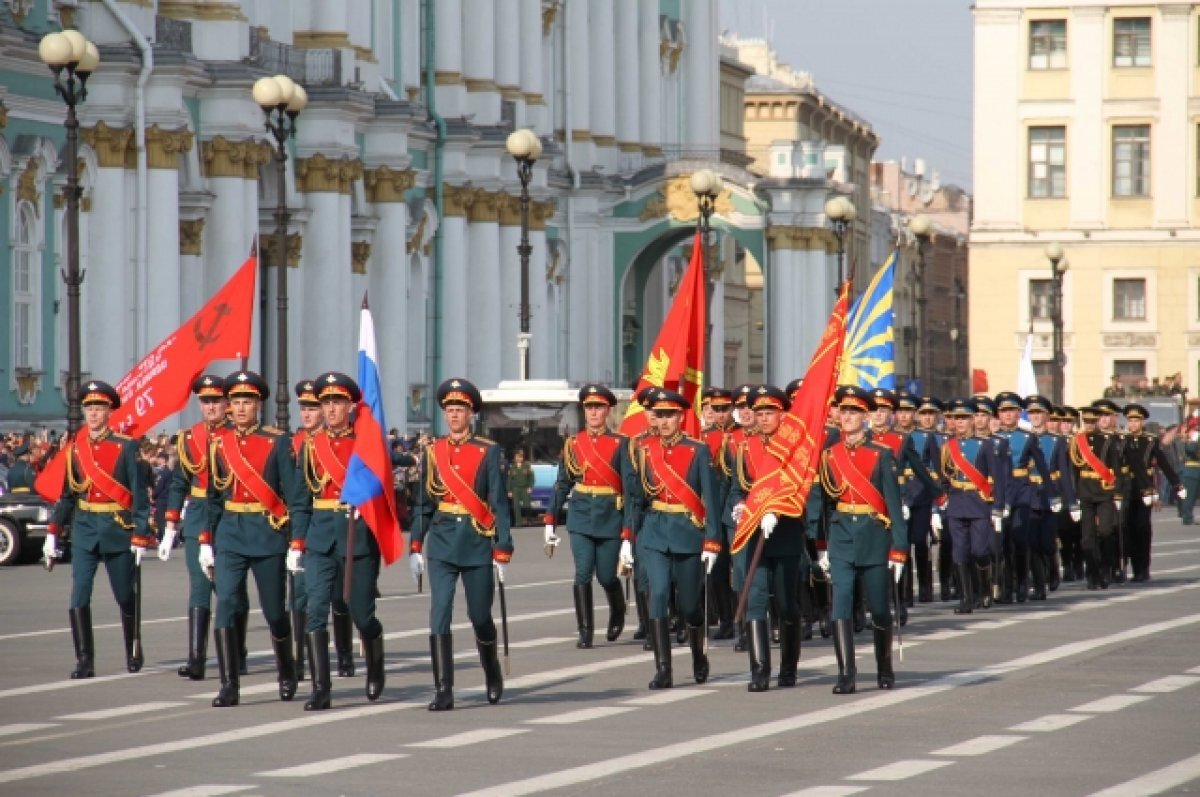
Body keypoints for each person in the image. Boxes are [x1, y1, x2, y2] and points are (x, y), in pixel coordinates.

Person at [204, 370, 307, 708]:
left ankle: (287, 669)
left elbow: (295, 495)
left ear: (258, 405)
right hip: (231, 532)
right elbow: (213, 496)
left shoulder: (277, 442)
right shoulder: (219, 443)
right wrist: (206, 540)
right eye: (235, 401)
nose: (240, 408)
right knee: (226, 603)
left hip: (267, 532)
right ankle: (229, 684)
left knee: (274, 611)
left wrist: (297, 541)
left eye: (247, 401)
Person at [410, 378, 513, 711]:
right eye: (450, 410)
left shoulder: (487, 451)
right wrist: (415, 544)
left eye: (460, 410)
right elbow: (423, 503)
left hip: (476, 541)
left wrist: (503, 546)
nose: (454, 415)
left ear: (471, 414)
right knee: (439, 612)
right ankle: (443, 688)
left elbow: (498, 502)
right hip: (442, 542)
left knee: (479, 615)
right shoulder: (433, 452)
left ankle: (491, 671)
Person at [44, 381, 154, 678]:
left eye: (99, 408)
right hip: (84, 530)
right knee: (79, 594)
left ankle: (132, 647)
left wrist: (141, 533)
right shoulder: (75, 450)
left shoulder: (126, 447)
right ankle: (84, 660)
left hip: (117, 529)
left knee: (124, 594)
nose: (93, 414)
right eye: (89, 408)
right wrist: (53, 531)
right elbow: (68, 496)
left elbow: (139, 495)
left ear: (109, 412)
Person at [291, 372, 387, 710]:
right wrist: (297, 541)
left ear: (350, 406)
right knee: (315, 610)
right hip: (320, 538)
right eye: (326, 403)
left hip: (356, 537)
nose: (331, 409)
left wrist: (366, 501)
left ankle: (375, 663)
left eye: (337, 402)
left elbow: (384, 489)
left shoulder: (364, 444)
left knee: (362, 614)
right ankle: (321, 688)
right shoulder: (310, 447)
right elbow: (301, 500)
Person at [807, 386, 908, 694]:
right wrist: (822, 546)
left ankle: (884, 666)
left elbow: (893, 505)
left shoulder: (882, 454)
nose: (847, 417)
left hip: (874, 536)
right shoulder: (829, 456)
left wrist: (899, 549)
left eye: (854, 412)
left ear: (865, 417)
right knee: (840, 603)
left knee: (879, 608)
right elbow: (824, 505)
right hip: (841, 538)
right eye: (844, 411)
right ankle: (846, 673)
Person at [627, 388, 721, 690]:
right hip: (654, 532)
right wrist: (627, 538)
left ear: (680, 416)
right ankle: (663, 669)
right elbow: (635, 498)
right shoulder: (643, 449)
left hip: (687, 532)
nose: (664, 421)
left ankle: (698, 655)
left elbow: (711, 499)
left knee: (690, 605)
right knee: (657, 594)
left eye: (669, 415)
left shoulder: (698, 450)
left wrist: (713, 540)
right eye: (659, 415)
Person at [158, 374, 247, 681]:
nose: (210, 407)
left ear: (227, 403)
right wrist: (170, 526)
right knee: (200, 586)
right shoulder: (189, 438)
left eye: (216, 401)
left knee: (230, 590)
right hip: (198, 516)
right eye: (205, 401)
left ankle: (236, 651)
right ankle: (196, 658)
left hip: (230, 517)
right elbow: (179, 483)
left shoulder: (237, 436)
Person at [545, 384, 638, 649]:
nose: (594, 412)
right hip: (581, 515)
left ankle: (617, 609)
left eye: (598, 407)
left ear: (607, 411)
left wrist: (629, 531)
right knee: (583, 572)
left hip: (610, 515)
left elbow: (630, 490)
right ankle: (585, 630)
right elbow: (563, 483)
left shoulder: (621, 443)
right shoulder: (574, 443)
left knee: (607, 576)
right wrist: (550, 520)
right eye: (589, 407)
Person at [726, 385, 807, 692]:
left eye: (769, 412)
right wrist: (738, 505)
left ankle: (789, 666)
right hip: (753, 534)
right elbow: (737, 487)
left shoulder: (794, 449)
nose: (762, 418)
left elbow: (801, 490)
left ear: (782, 414)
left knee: (786, 604)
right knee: (756, 600)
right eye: (758, 412)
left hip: (784, 533)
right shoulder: (745, 448)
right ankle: (759, 670)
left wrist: (778, 511)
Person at [937, 398, 1004, 613]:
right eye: (957, 418)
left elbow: (997, 478)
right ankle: (966, 599)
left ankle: (984, 589)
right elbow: (943, 478)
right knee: (959, 552)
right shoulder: (948, 447)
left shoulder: (985, 445)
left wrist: (997, 507)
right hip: (957, 503)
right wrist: (940, 504)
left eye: (964, 418)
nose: (960, 422)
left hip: (979, 503)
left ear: (972, 420)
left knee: (980, 550)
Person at [992, 392, 1056, 603]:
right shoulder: (992, 439)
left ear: (1018, 413)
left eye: (1011, 411)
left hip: (1021, 492)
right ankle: (1006, 587)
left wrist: (1052, 494)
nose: (1008, 415)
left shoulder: (1028, 438)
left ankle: (1022, 584)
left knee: (1020, 540)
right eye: (1003, 411)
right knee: (1002, 543)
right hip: (1000, 493)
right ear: (998, 414)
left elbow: (1042, 467)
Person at [1121, 403, 1184, 582]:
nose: (1133, 424)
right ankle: (1132, 567)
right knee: (1128, 528)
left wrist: (1177, 484)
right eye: (1130, 421)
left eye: (1136, 421)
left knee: (1142, 527)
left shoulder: (1150, 440)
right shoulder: (1122, 440)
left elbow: (1163, 463)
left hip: (1145, 489)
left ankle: (1143, 567)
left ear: (1142, 422)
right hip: (1127, 488)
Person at [1025, 395, 1076, 598]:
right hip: (1029, 493)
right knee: (1032, 542)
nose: (1036, 417)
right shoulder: (1024, 438)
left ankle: (1053, 567)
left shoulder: (1056, 441)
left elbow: (1064, 472)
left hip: (1050, 494)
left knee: (1047, 542)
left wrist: (1071, 501)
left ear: (1046, 416)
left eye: (1039, 413)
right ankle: (1039, 585)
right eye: (1032, 413)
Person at [1068, 404, 1123, 589]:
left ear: (1097, 421)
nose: (1090, 424)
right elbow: (1073, 470)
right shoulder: (1077, 441)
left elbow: (1116, 467)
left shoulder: (1107, 440)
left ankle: (1106, 568)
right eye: (1087, 421)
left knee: (1106, 532)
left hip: (1104, 490)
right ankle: (1092, 573)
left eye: (1092, 421)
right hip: (1085, 491)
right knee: (1087, 537)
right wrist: (1073, 495)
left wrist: (1117, 493)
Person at [698, 386, 737, 641]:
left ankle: (746, 619)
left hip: (736, 508)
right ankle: (726, 619)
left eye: (725, 409)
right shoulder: (704, 438)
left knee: (741, 568)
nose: (721, 414)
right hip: (713, 507)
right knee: (718, 568)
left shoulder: (741, 435)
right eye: (716, 409)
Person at [508, 449, 534, 526]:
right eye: (517, 457)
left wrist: (530, 487)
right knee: (516, 507)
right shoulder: (512, 467)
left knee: (527, 505)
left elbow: (531, 477)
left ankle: (529, 520)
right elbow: (509, 480)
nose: (519, 458)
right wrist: (509, 490)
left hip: (525, 488)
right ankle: (518, 522)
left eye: (520, 457)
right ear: (515, 458)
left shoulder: (527, 466)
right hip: (515, 489)